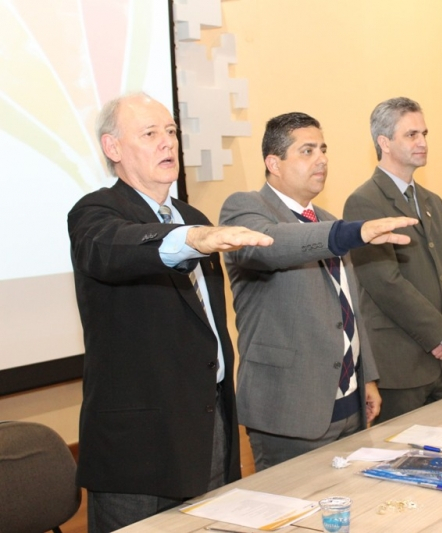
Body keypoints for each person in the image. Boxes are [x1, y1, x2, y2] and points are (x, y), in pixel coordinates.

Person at [68, 93, 273, 532]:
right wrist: (188, 239)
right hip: (139, 450)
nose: (167, 143)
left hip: (209, 426)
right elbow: (110, 249)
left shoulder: (192, 215)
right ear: (112, 147)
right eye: (149, 134)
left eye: (171, 132)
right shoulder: (96, 213)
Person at [219, 113, 417, 470]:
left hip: (349, 402)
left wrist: (367, 376)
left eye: (323, 149)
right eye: (307, 151)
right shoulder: (245, 208)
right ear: (273, 163)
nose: (322, 159)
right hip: (289, 409)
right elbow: (271, 244)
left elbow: (348, 305)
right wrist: (347, 233)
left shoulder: (326, 219)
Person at [343, 97, 442, 421]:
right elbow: (385, 283)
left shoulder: (432, 201)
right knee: (400, 449)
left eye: (424, 133)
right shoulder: (364, 202)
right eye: (411, 135)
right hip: (401, 364)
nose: (423, 142)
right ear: (384, 143)